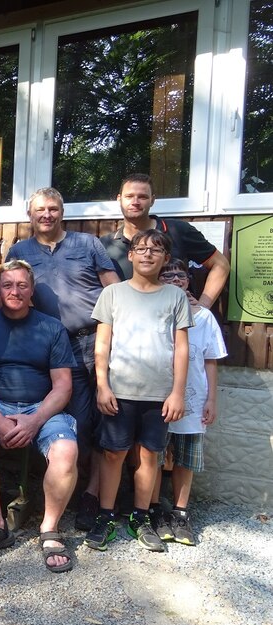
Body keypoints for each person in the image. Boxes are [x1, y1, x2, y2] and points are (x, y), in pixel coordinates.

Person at [5, 187, 119, 530]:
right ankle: (42, 495)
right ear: (30, 215)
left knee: (88, 425)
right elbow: (10, 291)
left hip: (88, 343)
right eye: (40, 209)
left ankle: (89, 495)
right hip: (42, 346)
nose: (47, 215)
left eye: (53, 208)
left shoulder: (88, 245)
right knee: (46, 420)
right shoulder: (20, 250)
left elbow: (115, 288)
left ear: (62, 212)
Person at [0, 260, 78, 573]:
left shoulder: (51, 328)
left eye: (21, 285)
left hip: (40, 407)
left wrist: (34, 420)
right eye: (7, 285)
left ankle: (49, 529)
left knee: (66, 451)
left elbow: (63, 387)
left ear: (31, 290)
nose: (14, 291)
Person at [85, 229, 192, 552]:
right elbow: (102, 344)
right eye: (141, 249)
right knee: (113, 453)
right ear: (130, 255)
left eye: (155, 250)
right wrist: (102, 386)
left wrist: (177, 393)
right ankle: (105, 515)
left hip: (159, 394)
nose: (147, 255)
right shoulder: (114, 294)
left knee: (149, 455)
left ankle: (141, 516)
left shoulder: (175, 297)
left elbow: (181, 349)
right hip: (119, 390)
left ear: (165, 259)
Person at [149, 259, 227, 546]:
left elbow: (210, 361)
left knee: (185, 458)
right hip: (155, 396)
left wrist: (211, 400)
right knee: (154, 456)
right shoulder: (152, 311)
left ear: (188, 280)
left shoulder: (204, 317)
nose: (173, 278)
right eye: (166, 274)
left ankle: (180, 512)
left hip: (193, 398)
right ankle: (153, 509)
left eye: (179, 275)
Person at [101, 173, 230, 310]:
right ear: (119, 199)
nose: (135, 202)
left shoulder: (178, 230)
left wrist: (203, 306)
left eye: (143, 197)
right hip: (127, 324)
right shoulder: (105, 245)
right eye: (129, 196)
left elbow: (221, 265)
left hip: (176, 321)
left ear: (152, 200)